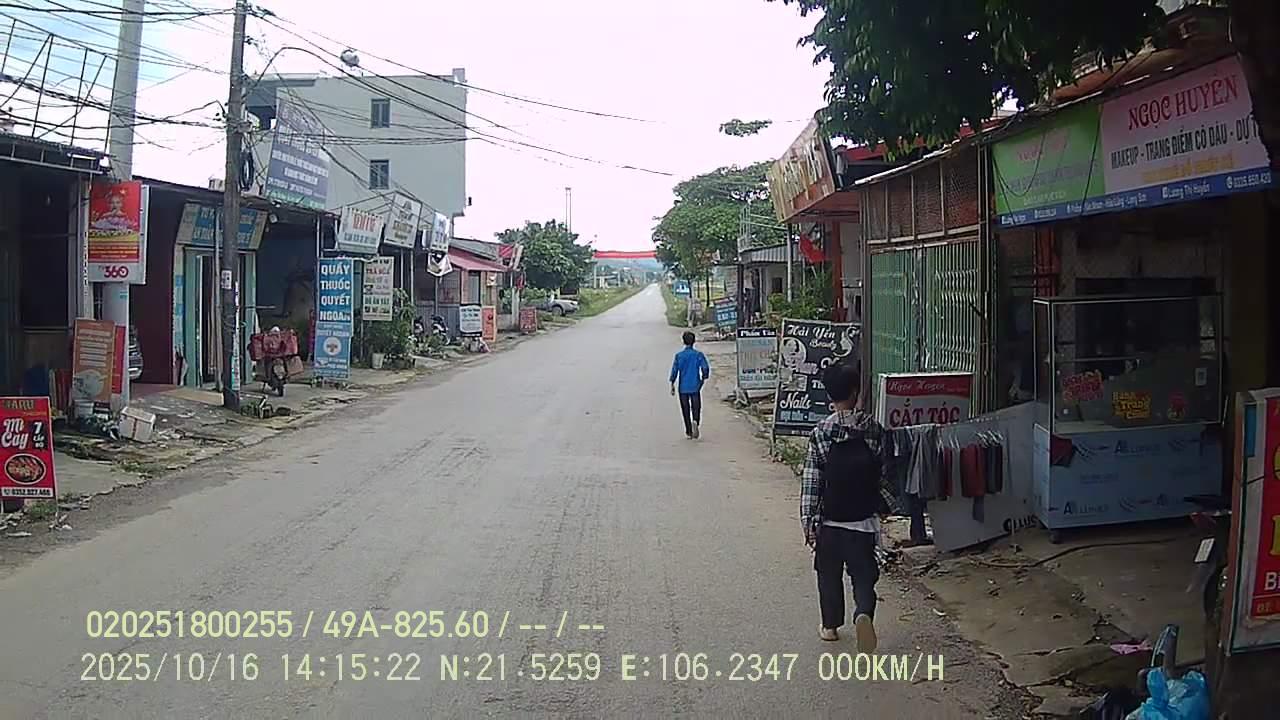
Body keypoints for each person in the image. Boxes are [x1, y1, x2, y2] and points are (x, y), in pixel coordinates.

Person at [800, 362, 897, 650]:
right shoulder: (874, 430)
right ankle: (863, 613)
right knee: (864, 576)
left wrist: (809, 523)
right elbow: (886, 476)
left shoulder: (821, 432)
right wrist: (885, 506)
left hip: (830, 523)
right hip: (863, 523)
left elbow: (812, 482)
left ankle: (830, 626)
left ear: (830, 394)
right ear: (856, 392)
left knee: (828, 575)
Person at [669, 331, 710, 439]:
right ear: (694, 341)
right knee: (696, 407)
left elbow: (674, 370)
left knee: (685, 409)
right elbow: (705, 367)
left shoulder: (679, 356)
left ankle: (688, 431)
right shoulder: (698, 355)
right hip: (695, 386)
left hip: (683, 387)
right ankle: (695, 421)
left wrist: (672, 382)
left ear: (683, 341)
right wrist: (704, 377)